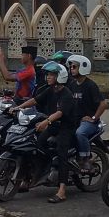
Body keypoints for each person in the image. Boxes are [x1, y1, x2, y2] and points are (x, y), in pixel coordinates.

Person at [30, 62, 78, 204]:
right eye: (48, 74)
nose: (48, 77)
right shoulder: (51, 90)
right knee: (38, 144)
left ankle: (62, 190)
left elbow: (59, 113)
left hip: (66, 127)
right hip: (54, 125)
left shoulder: (66, 94)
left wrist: (46, 122)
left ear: (60, 77)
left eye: (51, 75)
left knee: (61, 152)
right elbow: (35, 100)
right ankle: (45, 168)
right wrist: (17, 107)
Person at [68, 55, 105, 175]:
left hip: (88, 122)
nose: (71, 69)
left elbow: (103, 104)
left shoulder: (90, 85)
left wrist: (94, 118)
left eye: (74, 67)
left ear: (83, 68)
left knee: (80, 133)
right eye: (71, 67)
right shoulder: (72, 85)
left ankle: (85, 159)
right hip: (75, 120)